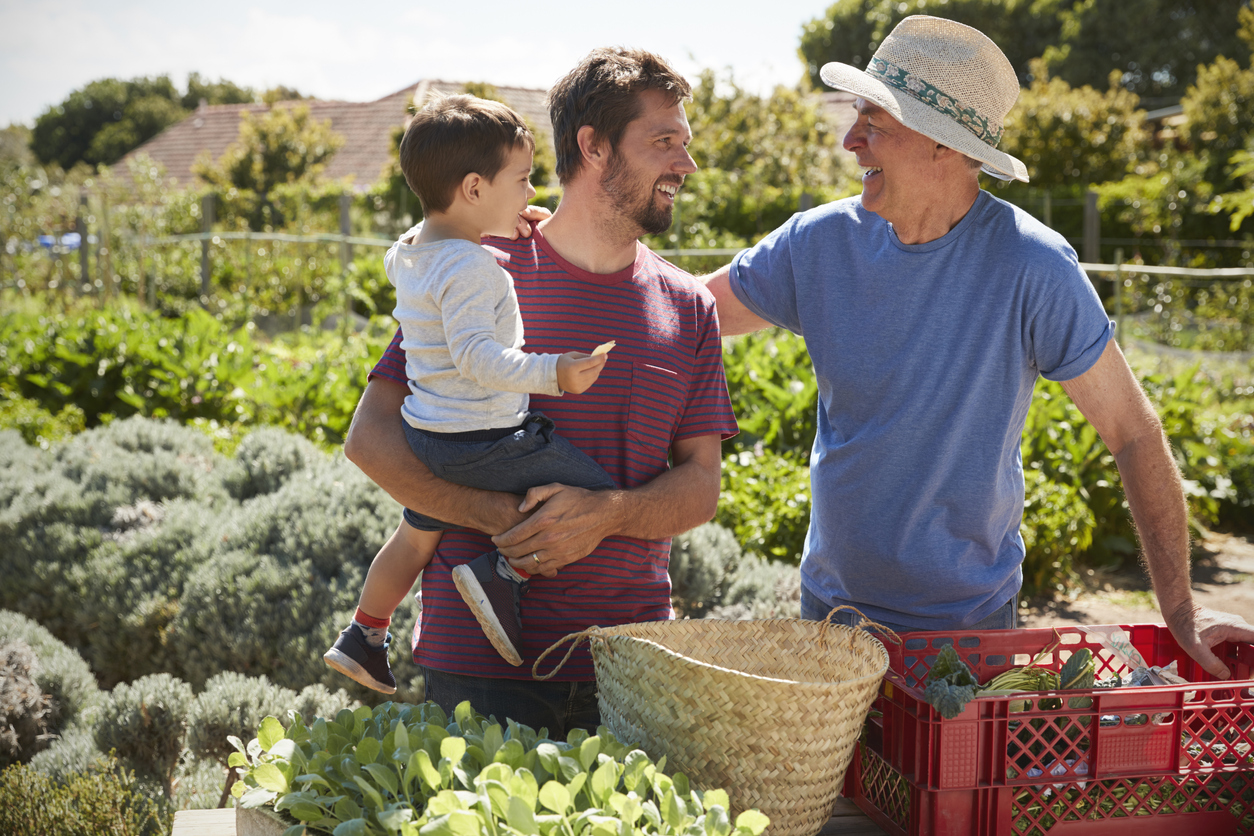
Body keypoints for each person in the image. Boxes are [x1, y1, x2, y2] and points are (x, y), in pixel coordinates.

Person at [703, 15, 1254, 679]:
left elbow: (1134, 433)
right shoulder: (817, 245)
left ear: (944, 146)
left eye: (874, 124)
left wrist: (1182, 609)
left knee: (948, 784)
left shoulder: (1033, 266)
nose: (850, 143)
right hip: (830, 620)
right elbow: (686, 310)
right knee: (838, 787)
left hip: (968, 634)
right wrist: (563, 247)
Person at [343, 47, 738, 731]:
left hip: (632, 665)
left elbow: (701, 486)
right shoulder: (475, 268)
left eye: (686, 143)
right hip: (479, 669)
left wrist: (606, 513)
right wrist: (503, 519)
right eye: (664, 141)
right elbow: (371, 440)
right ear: (593, 146)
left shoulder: (689, 308)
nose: (687, 164)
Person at [323, 94, 619, 694]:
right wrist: (553, 373)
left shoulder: (410, 253)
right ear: (475, 189)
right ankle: (501, 573)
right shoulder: (474, 270)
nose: (533, 194)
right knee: (593, 496)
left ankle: (363, 635)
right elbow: (477, 358)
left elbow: (432, 229)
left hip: (427, 432)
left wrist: (496, 223)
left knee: (413, 538)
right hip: (478, 439)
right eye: (523, 180)